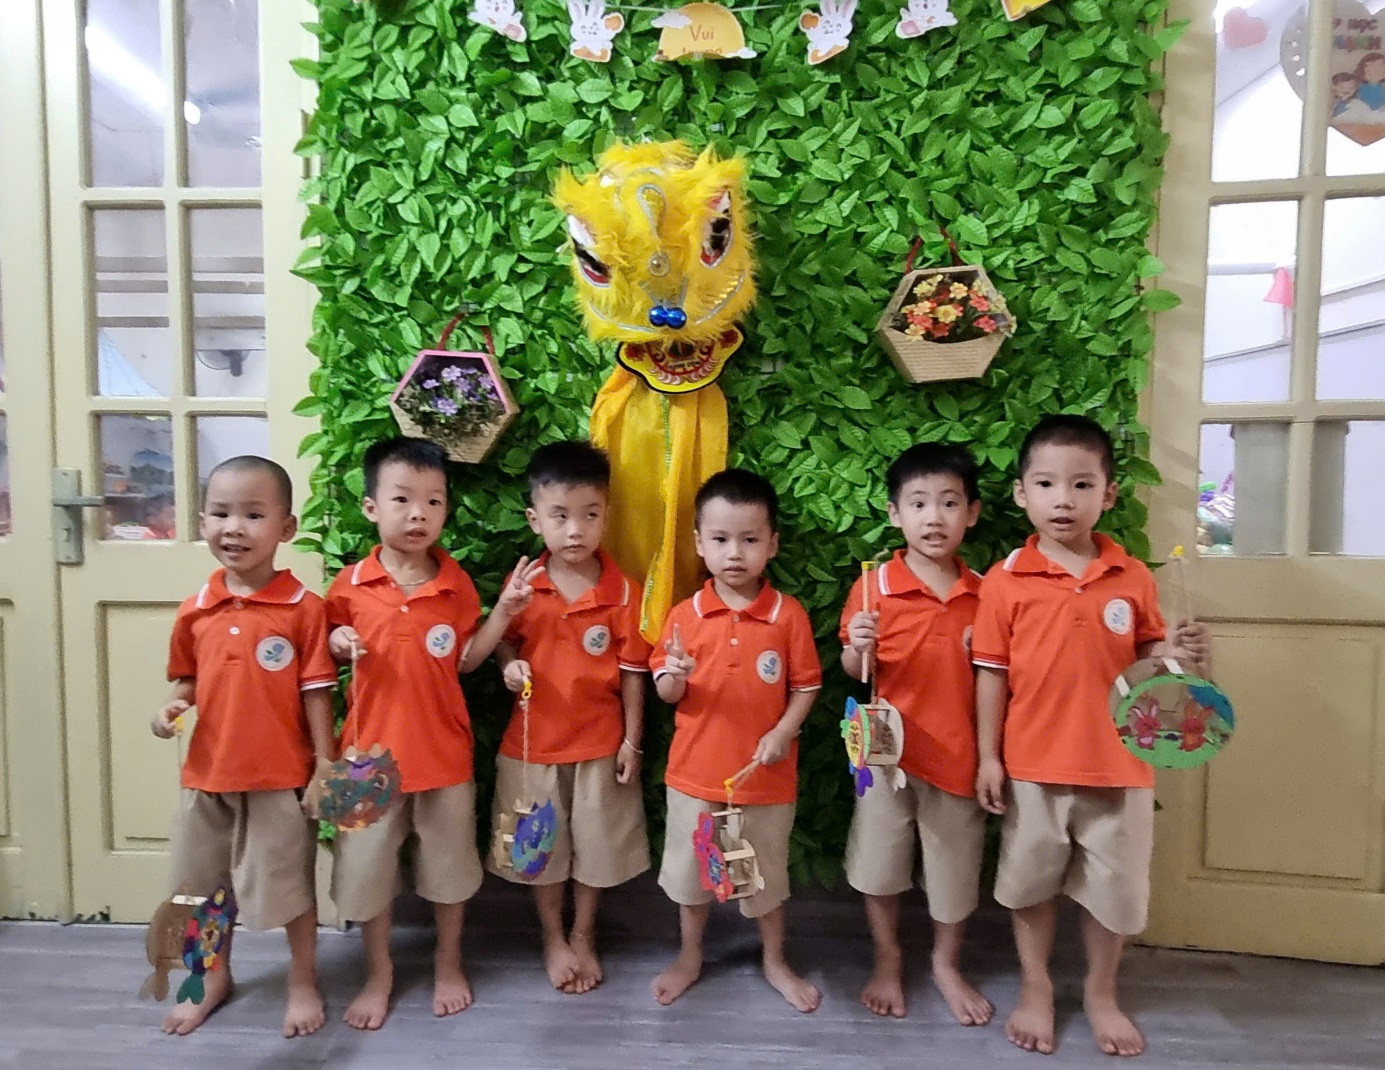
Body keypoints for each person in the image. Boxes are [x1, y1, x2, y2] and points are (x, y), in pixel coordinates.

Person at [972, 415, 1211, 1058]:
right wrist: (989, 757)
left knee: (1115, 895)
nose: (1063, 499)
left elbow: (1152, 661)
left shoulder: (1132, 577)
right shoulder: (1004, 581)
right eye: (1046, 483)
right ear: (1021, 493)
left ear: (1108, 494)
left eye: (1081, 484)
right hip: (1032, 766)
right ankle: (1036, 988)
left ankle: (1102, 993)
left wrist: (1175, 652)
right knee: (1030, 887)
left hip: (1120, 767)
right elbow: (991, 676)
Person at [325, 437, 540, 1030]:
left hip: (444, 757)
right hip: (363, 763)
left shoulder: (456, 585)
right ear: (371, 507)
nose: (418, 513)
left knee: (449, 874)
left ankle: (449, 962)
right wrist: (338, 641)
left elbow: (467, 661)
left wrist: (505, 612)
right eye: (402, 499)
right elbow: (324, 650)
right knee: (366, 878)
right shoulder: (348, 585)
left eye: (433, 501)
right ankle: (378, 973)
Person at [151, 455, 336, 1038]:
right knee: (201, 890)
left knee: (290, 889)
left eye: (253, 515)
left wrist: (324, 763)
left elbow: (317, 692)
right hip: (207, 776)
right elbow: (189, 680)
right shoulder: (195, 610)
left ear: (286, 527)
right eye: (221, 513)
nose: (234, 528)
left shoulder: (305, 609)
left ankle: (302, 980)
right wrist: (171, 708)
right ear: (202, 521)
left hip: (280, 778)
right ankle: (208, 976)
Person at [648, 468, 823, 1013]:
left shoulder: (788, 616)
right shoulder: (683, 616)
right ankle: (689, 956)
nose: (734, 553)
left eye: (749, 540)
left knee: (765, 881)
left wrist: (782, 731)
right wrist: (674, 674)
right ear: (699, 544)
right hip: (694, 778)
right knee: (691, 880)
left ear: (772, 544)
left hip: (765, 781)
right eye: (721, 539)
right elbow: (667, 693)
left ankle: (774, 960)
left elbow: (807, 687)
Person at [839, 443, 992, 1025]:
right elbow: (855, 672)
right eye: (919, 503)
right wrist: (858, 646)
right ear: (894, 513)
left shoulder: (987, 592)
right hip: (885, 760)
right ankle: (888, 957)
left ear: (972, 513)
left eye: (949, 503)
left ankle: (946, 964)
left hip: (958, 759)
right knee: (878, 867)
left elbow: (1002, 678)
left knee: (954, 876)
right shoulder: (873, 587)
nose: (934, 517)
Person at [491, 441, 652, 994]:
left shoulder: (624, 592)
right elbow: (503, 641)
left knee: (597, 851)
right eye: (560, 516)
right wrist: (509, 665)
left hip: (600, 746)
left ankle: (583, 933)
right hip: (531, 747)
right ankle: (552, 936)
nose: (575, 530)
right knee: (540, 850)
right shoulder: (522, 587)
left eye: (589, 515)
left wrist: (633, 740)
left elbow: (634, 673)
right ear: (535, 519)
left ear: (606, 515)